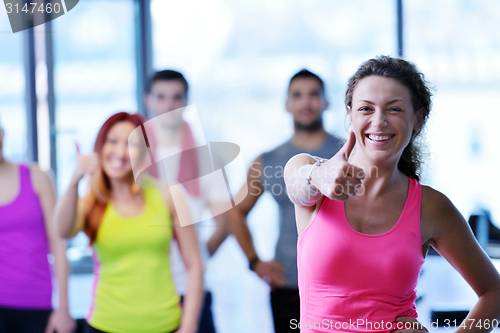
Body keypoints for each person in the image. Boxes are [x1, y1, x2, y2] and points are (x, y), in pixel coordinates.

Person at [284, 56, 500, 332]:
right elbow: (297, 184)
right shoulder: (310, 171)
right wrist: (317, 177)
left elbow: (494, 292)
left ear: (418, 119)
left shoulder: (430, 207)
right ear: (350, 114)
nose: (379, 121)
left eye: (394, 109)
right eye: (366, 108)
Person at [54, 112, 203, 333]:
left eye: (131, 143)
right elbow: (62, 230)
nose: (120, 152)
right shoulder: (91, 202)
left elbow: (195, 265)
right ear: (100, 147)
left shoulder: (169, 194)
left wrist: (189, 324)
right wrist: (75, 179)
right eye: (112, 141)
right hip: (105, 325)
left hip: (165, 325)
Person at [229, 69, 343, 332]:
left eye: (314, 94)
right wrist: (254, 262)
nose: (306, 102)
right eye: (298, 95)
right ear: (287, 104)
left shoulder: (347, 153)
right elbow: (236, 212)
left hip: (342, 285)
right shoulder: (267, 161)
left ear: (326, 102)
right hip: (288, 285)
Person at [144, 70, 231, 333]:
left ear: (185, 101)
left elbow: (223, 225)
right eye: (161, 97)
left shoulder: (207, 157)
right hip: (144, 290)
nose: (169, 105)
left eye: (176, 97)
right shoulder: (130, 156)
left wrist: (196, 257)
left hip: (190, 290)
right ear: (149, 101)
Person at [0, 118, 75, 333]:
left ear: (2, 134)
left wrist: (64, 308)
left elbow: (58, 244)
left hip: (35, 302)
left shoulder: (37, 177)